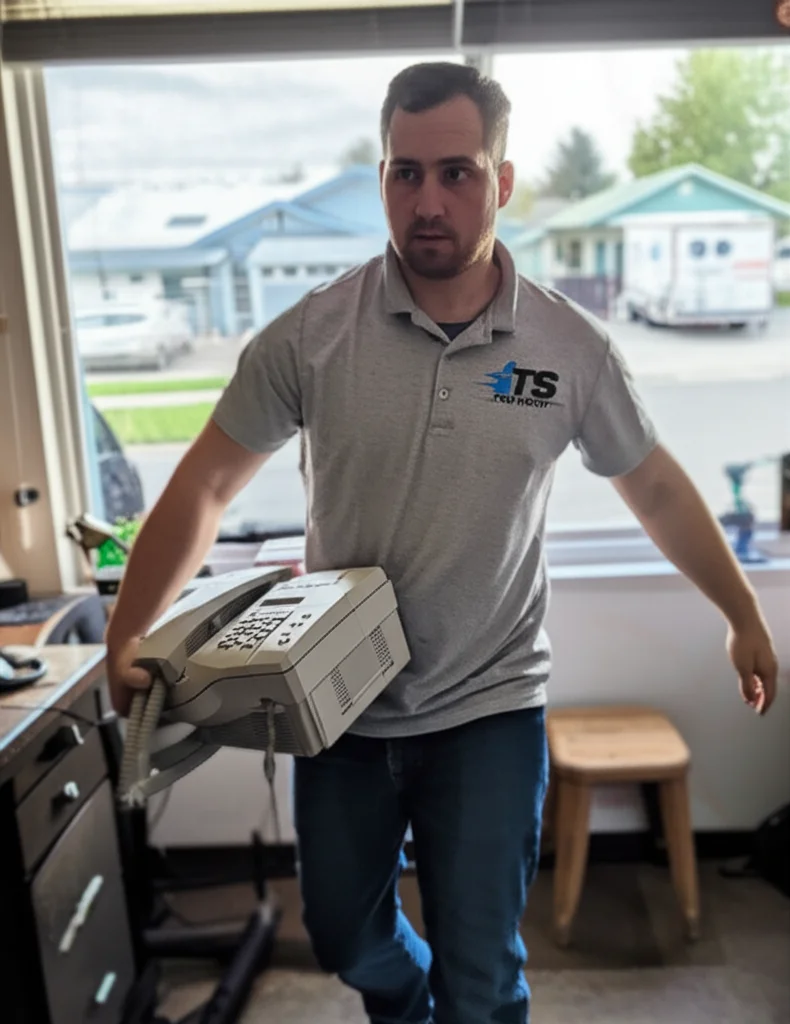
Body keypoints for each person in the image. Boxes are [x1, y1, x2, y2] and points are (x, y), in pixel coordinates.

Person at [106, 62, 779, 1024]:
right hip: (337, 707)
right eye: (404, 173)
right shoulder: (312, 337)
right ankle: (408, 999)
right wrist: (126, 633)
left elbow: (658, 489)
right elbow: (205, 483)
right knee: (344, 936)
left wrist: (741, 611)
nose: (428, 201)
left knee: (485, 976)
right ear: (381, 176)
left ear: (503, 180)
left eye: (457, 172)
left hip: (488, 708)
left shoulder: (568, 349)